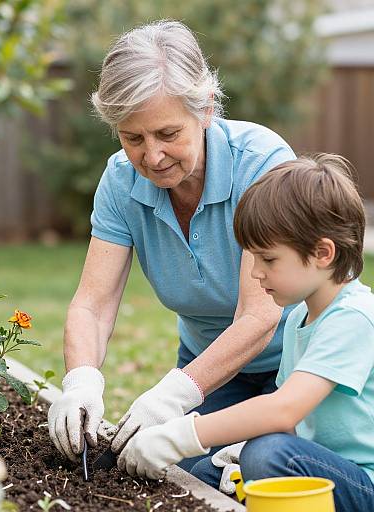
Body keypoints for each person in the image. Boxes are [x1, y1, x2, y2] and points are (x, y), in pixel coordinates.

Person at [48, 19, 296, 470]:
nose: (152, 156)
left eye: (167, 134)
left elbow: (260, 315)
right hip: (213, 370)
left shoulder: (262, 164)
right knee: (137, 463)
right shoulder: (121, 181)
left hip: (303, 366)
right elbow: (92, 305)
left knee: (250, 470)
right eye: (132, 138)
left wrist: (171, 397)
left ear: (204, 110)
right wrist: (81, 381)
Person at [118, 154, 374, 512]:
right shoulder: (301, 315)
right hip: (316, 466)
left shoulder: (353, 317)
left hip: (363, 484)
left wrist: (182, 435)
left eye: (268, 259)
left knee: (267, 454)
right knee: (207, 472)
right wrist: (235, 453)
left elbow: (283, 410)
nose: (255, 273)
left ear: (322, 253)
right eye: (251, 257)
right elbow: (295, 425)